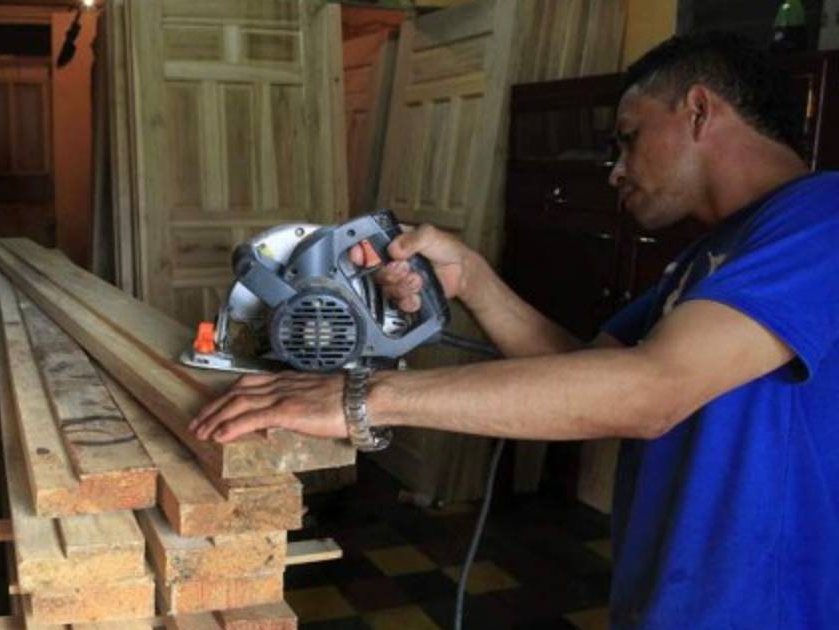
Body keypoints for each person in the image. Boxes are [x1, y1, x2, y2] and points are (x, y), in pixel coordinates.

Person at [189, 32, 839, 628]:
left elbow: (649, 392)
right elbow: (589, 374)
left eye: (628, 138)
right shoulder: (711, 256)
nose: (615, 170)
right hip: (674, 601)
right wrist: (470, 277)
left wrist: (366, 396)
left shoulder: (823, 218)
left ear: (697, 111)